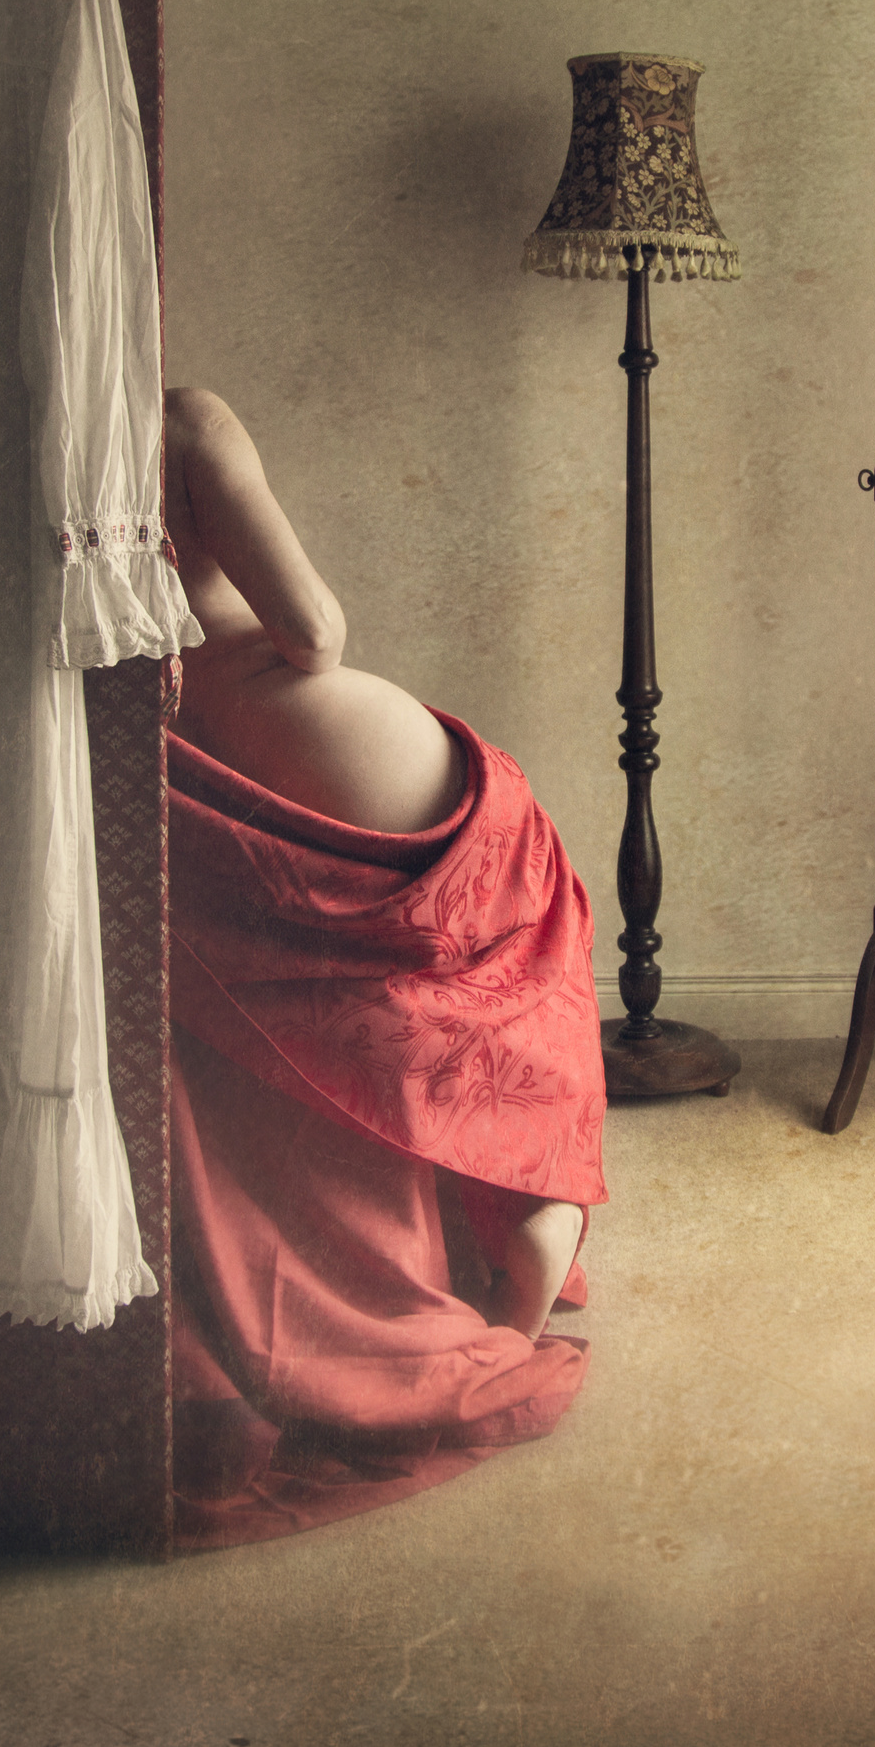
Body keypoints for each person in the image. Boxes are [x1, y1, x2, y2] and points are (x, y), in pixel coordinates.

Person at [159, 386, 605, 1547]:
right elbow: (311, 633)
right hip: (320, 741)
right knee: (523, 956)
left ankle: (484, 1231)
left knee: (350, 1012)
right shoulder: (181, 422)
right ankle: (531, 1216)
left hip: (189, 786)